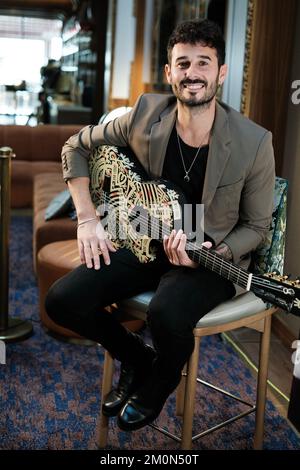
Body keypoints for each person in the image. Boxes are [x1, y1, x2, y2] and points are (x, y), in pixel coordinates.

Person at [45, 19, 275, 432]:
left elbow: (257, 227)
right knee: (63, 300)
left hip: (208, 255)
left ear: (220, 72)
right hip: (145, 240)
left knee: (166, 313)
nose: (192, 73)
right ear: (169, 72)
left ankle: (161, 380)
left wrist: (215, 253)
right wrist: (86, 219)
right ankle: (138, 358)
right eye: (182, 63)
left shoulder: (254, 141)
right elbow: (75, 146)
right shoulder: (145, 115)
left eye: (203, 63)